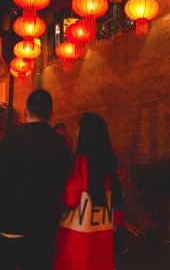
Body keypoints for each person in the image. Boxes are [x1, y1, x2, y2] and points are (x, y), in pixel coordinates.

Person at [0, 89, 71, 270]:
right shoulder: (60, 144)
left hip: (11, 225)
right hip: (44, 229)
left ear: (26, 111)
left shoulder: (12, 140)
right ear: (51, 114)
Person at [54, 113, 123, 270]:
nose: (77, 131)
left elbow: (71, 198)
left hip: (77, 237)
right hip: (102, 234)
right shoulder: (109, 160)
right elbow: (116, 196)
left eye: (79, 128)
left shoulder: (80, 161)